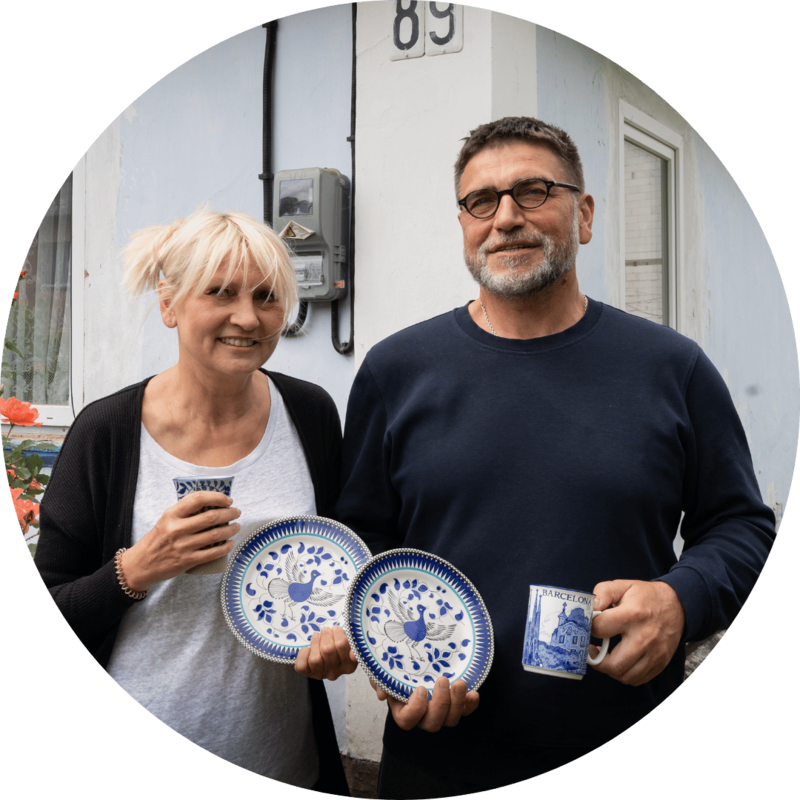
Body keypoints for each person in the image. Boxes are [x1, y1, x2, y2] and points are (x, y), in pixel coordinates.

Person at [334, 117, 776, 796]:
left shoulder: (671, 367)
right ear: (464, 224)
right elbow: (365, 542)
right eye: (482, 201)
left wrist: (680, 602)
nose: (506, 217)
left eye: (533, 192)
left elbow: (741, 525)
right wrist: (392, 661)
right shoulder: (396, 371)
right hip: (441, 756)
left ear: (585, 213)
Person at [33, 208, 350, 794]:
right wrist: (136, 568)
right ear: (170, 304)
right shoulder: (106, 433)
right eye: (220, 293)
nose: (247, 317)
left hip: (283, 754)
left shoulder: (311, 414)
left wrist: (337, 636)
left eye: (267, 296)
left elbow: (334, 563)